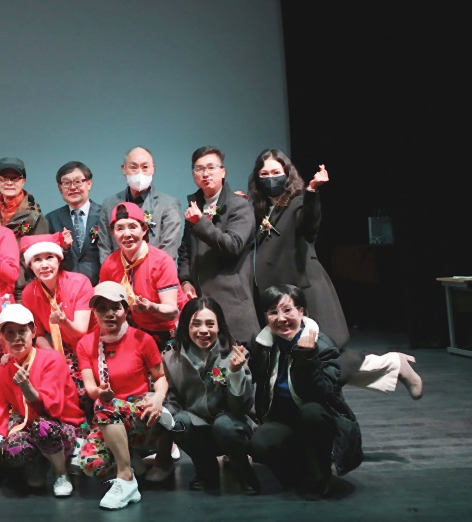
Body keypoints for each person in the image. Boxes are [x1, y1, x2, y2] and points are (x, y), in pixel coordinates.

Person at [246, 149, 423, 398]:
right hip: (278, 300)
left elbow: (309, 225)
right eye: (264, 174)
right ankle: (393, 366)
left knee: (323, 355)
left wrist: (312, 191)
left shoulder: (298, 202)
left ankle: (392, 364)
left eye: (276, 172)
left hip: (303, 293)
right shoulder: (262, 210)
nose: (270, 178)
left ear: (287, 174)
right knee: (303, 362)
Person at [248, 284, 363, 498]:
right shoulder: (263, 344)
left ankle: (319, 479)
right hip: (282, 420)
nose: (281, 318)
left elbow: (322, 393)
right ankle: (297, 474)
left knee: (311, 412)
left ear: (301, 312)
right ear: (266, 317)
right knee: (261, 440)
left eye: (287, 310)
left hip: (319, 419)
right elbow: (251, 379)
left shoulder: (322, 344)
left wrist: (305, 357)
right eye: (273, 312)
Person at [77, 281, 172, 510]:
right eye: (102, 308)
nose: (109, 314)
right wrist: (99, 392)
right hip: (107, 415)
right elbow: (90, 387)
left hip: (140, 414)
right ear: (94, 312)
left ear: (126, 310)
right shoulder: (85, 344)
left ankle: (126, 479)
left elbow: (160, 377)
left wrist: (158, 398)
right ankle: (129, 460)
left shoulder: (143, 339)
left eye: (115, 307)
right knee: (91, 464)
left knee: (105, 405)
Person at [162, 296, 259, 494]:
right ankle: (206, 470)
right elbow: (172, 399)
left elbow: (241, 407)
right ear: (186, 327)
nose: (203, 330)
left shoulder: (235, 354)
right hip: (196, 428)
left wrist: (235, 373)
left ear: (219, 326)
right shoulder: (171, 358)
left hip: (231, 425)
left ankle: (243, 470)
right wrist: (166, 414)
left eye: (210, 324)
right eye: (196, 324)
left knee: (224, 425)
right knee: (176, 421)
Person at [0, 304, 84, 498]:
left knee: (44, 426)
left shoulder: (52, 359)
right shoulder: (4, 370)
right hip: (30, 426)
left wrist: (26, 387)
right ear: (3, 338)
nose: (16, 338)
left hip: (60, 424)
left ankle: (61, 472)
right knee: (12, 448)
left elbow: (52, 409)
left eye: (22, 331)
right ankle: (39, 462)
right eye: (10, 333)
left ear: (33, 332)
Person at [177, 146, 259, 343]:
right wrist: (185, 280)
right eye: (199, 169)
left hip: (232, 302)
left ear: (223, 172)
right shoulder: (195, 205)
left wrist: (201, 222)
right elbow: (185, 250)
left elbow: (233, 245)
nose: (205, 173)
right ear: (193, 174)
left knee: (238, 358)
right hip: (201, 305)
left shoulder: (239, 205)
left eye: (211, 167)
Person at [19, 234, 93, 418]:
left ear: (59, 259)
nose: (44, 265)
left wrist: (63, 321)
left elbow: (81, 331)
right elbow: (38, 334)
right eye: (37, 259)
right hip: (60, 351)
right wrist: (54, 357)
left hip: (88, 348)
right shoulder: (29, 293)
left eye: (49, 257)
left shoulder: (80, 282)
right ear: (30, 265)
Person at [99, 201, 184, 348]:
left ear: (144, 229)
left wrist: (150, 307)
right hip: (135, 331)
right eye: (120, 228)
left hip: (170, 331)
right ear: (113, 233)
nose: (127, 234)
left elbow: (171, 311)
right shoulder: (110, 264)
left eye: (133, 227)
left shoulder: (161, 261)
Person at [99, 147, 183, 255]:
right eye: (133, 167)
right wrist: (112, 266)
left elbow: (169, 248)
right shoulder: (109, 204)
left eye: (145, 167)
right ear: (124, 169)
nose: (139, 173)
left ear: (153, 169)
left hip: (155, 265)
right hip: (118, 265)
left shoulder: (169, 204)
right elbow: (104, 247)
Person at [44, 161, 107, 282]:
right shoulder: (51, 219)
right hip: (65, 285)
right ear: (60, 188)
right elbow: (48, 259)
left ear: (89, 183)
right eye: (66, 183)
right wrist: (64, 249)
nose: (72, 187)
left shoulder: (104, 215)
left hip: (100, 284)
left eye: (78, 182)